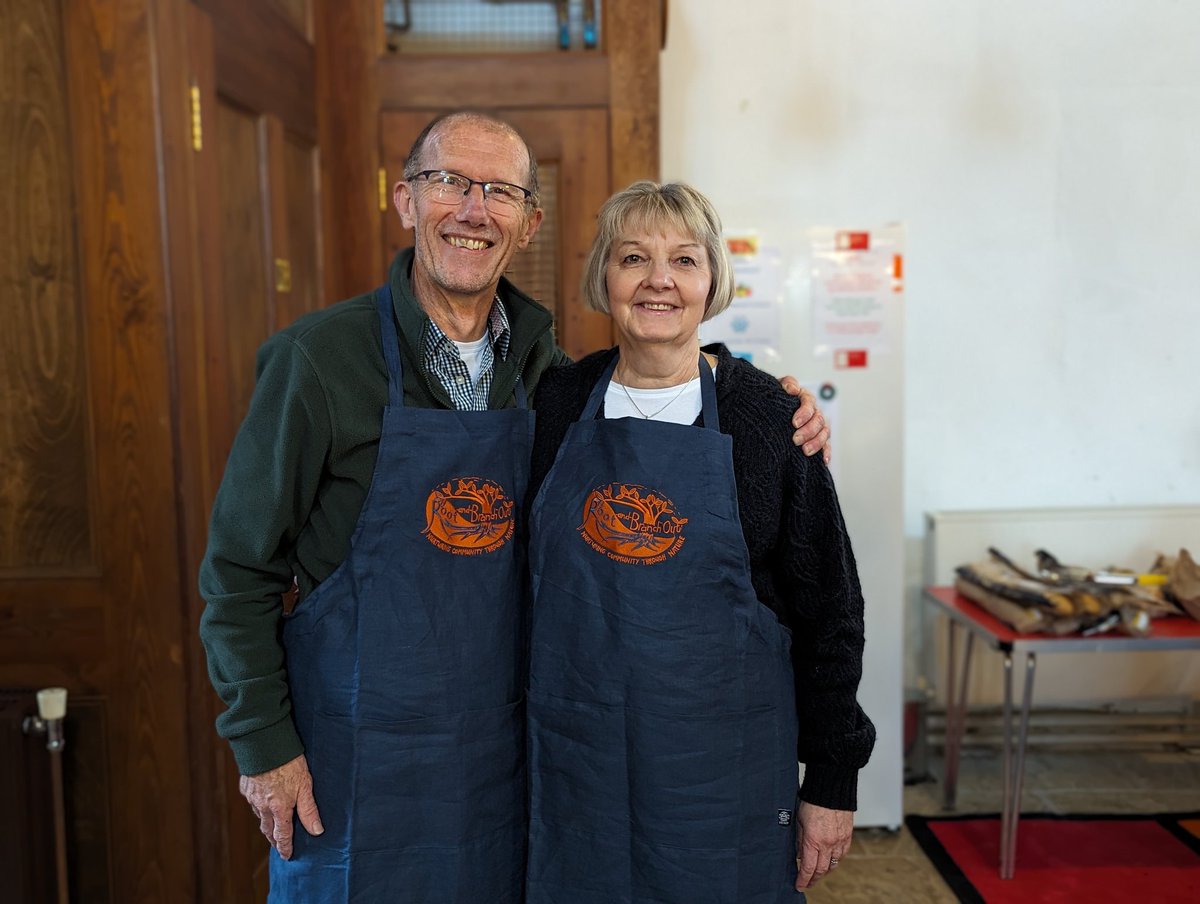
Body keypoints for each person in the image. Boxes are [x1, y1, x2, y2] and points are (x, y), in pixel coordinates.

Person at [198, 112, 830, 903]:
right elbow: (236, 574)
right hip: (359, 760)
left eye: (500, 191)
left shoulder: (550, 375)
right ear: (405, 200)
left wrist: (763, 398)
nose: (473, 209)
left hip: (510, 764)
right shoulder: (318, 363)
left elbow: (653, 372)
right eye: (449, 182)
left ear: (528, 222)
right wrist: (262, 745)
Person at [524, 180, 876, 903]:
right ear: (605, 278)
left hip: (724, 779)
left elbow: (830, 610)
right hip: (579, 770)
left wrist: (833, 779)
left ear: (712, 280)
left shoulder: (769, 418)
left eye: (684, 260)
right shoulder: (554, 404)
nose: (659, 280)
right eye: (633, 258)